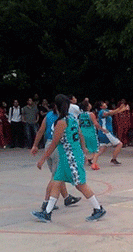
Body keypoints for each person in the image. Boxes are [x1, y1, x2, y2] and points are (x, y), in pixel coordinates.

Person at [32, 94, 102, 223]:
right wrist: (84, 149)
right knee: (57, 182)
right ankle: (47, 213)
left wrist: (42, 159)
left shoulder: (61, 122)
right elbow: (80, 135)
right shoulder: (72, 118)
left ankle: (98, 208)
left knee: (80, 184)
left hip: (71, 157)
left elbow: (54, 143)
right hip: (68, 156)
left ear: (55, 106)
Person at [30, 102, 81, 209]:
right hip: (58, 146)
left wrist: (35, 145)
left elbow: (40, 131)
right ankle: (46, 202)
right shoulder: (65, 118)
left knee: (58, 173)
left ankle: (67, 197)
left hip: (48, 144)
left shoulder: (48, 115)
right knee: (56, 177)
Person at [92, 101, 128, 168]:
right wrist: (120, 107)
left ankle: (93, 162)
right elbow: (113, 112)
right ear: (101, 107)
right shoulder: (102, 112)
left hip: (103, 132)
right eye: (103, 104)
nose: (105, 104)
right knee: (119, 144)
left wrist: (124, 109)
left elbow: (115, 112)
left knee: (102, 148)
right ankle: (114, 159)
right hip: (106, 132)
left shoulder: (106, 110)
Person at [78, 100, 107, 167]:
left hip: (82, 131)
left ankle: (85, 160)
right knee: (95, 149)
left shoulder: (80, 115)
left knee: (83, 147)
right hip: (90, 132)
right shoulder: (91, 114)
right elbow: (95, 123)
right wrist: (102, 129)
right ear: (88, 106)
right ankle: (94, 163)